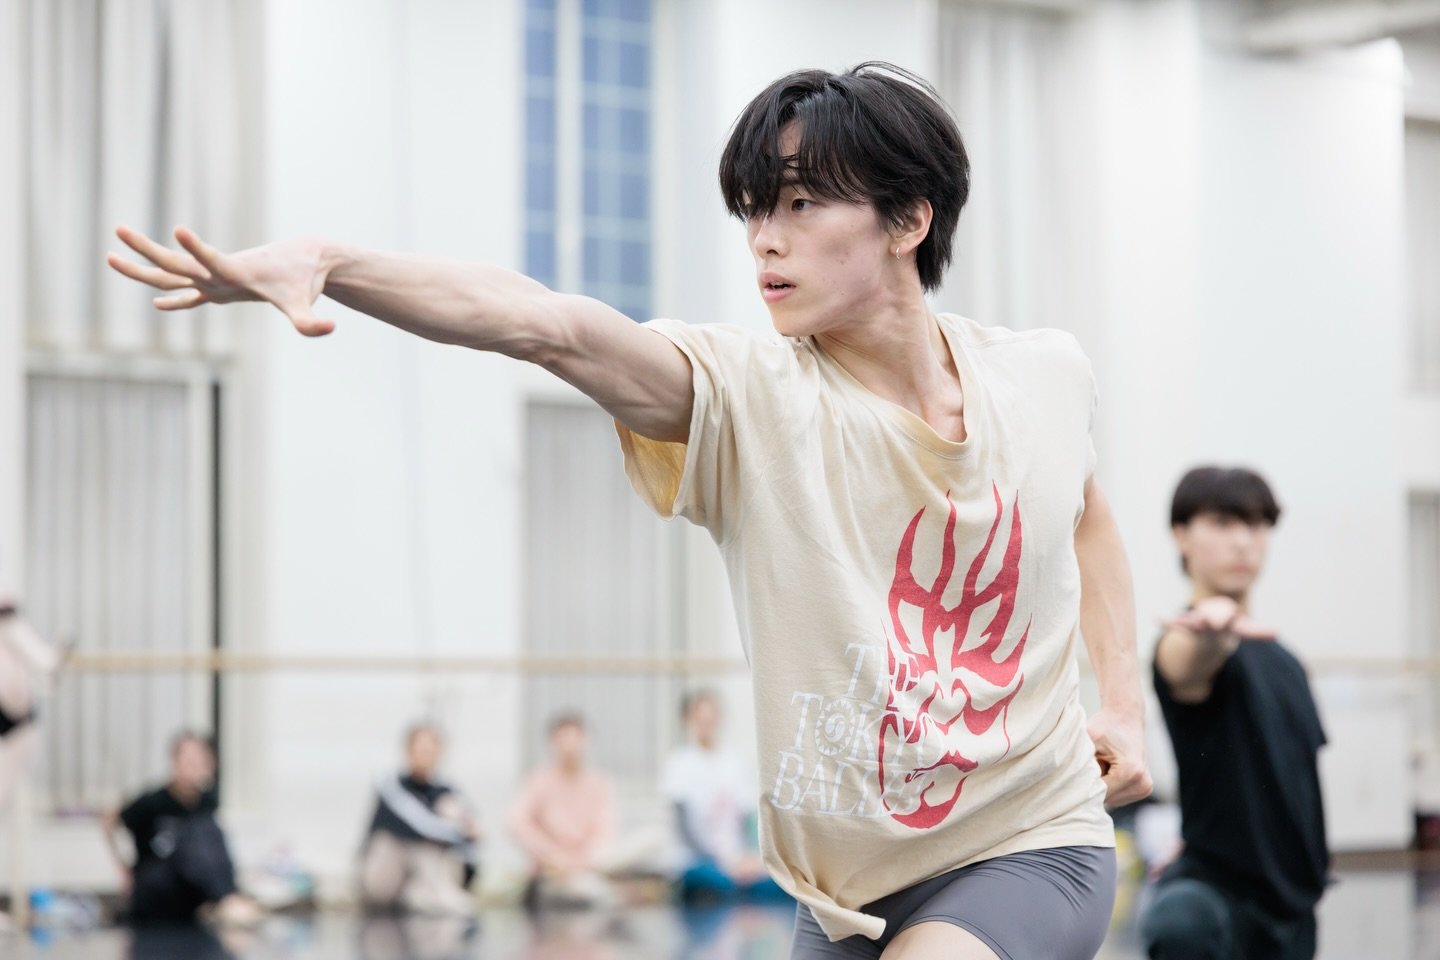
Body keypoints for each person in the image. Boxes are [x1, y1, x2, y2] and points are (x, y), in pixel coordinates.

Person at [107, 60, 1151, 959]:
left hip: (1028, 837)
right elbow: (546, 326)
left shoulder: (1044, 377)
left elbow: (1087, 516)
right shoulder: (751, 395)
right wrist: (334, 265)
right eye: (753, 210)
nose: (764, 243)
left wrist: (1120, 702)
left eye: (799, 204)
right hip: (842, 895)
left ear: (909, 221)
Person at [1141, 467, 1329, 960]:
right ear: (1181, 535)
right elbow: (1184, 664)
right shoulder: (1190, 643)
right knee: (1179, 921)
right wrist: (1213, 635)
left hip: (1294, 912)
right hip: (1220, 903)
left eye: (1257, 524)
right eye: (1223, 523)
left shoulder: (1286, 664)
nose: (1244, 541)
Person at [101, 732, 263, 927]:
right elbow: (109, 819)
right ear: (175, 762)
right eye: (188, 760)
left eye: (199, 760)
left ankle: (227, 897)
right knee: (193, 834)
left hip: (188, 889)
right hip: (156, 884)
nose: (193, 766)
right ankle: (226, 900)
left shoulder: (207, 801)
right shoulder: (152, 802)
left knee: (207, 828)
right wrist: (123, 869)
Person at [663, 689, 782, 905]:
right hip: (697, 861)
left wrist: (750, 856)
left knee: (778, 886)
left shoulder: (734, 762)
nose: (706, 724)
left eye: (711, 718)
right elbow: (684, 827)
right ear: (688, 720)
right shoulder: (679, 763)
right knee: (718, 884)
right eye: (700, 719)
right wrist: (722, 860)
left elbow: (749, 819)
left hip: (736, 860)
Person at [359, 723, 480, 916]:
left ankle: (425, 893)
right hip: (384, 877)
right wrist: (461, 832)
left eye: (432, 750)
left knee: (448, 811)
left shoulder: (446, 788)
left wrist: (466, 834)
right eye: (421, 749)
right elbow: (420, 825)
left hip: (424, 872)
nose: (427, 755)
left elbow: (473, 827)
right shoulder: (390, 783)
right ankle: (430, 894)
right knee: (414, 840)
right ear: (408, 751)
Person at [508, 713, 617, 910]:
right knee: (586, 894)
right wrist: (552, 854)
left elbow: (604, 830)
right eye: (564, 739)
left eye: (576, 738)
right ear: (553, 742)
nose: (570, 746)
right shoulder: (539, 781)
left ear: (586, 740)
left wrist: (584, 859)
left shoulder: (599, 783)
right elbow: (517, 822)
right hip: (551, 869)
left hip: (588, 864)